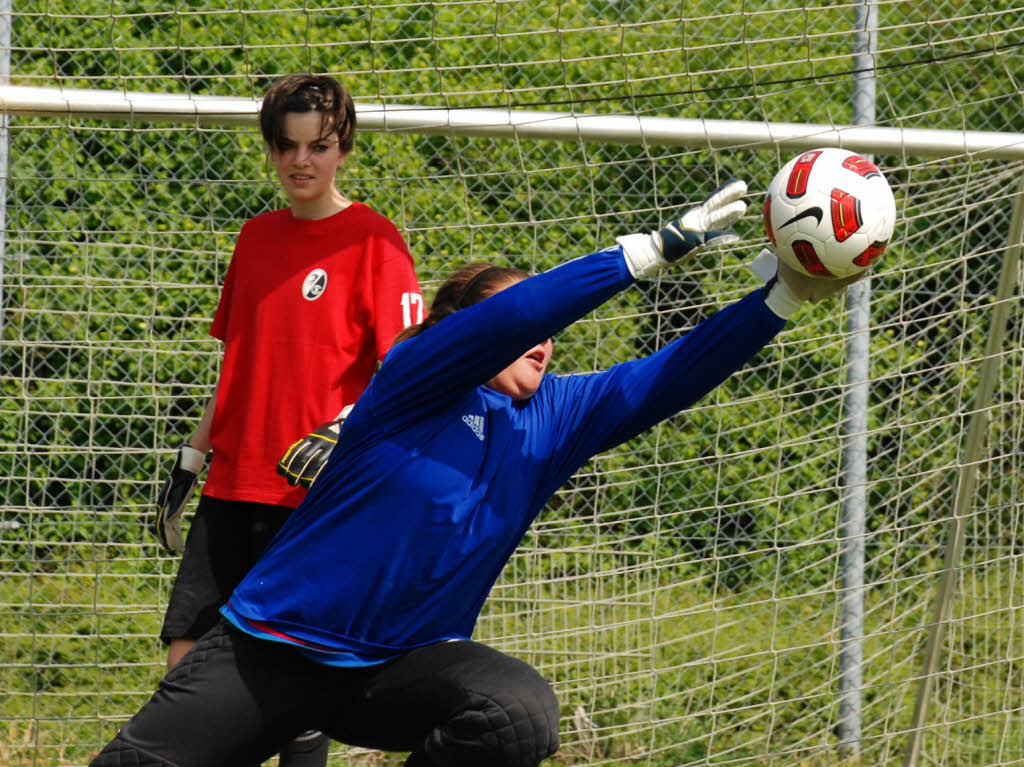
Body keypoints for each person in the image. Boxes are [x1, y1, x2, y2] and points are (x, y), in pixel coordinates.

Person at [99, 180, 860, 767]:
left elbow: (667, 376)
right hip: (273, 650)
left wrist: (782, 298)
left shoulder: (553, 416)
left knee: (517, 710)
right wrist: (645, 251)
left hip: (396, 667)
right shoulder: (415, 378)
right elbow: (506, 319)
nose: (543, 340)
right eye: (530, 325)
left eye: (549, 332)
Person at [152, 73, 423, 767]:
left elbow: (407, 374)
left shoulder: (376, 242)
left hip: (311, 496)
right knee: (187, 653)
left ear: (343, 148)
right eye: (287, 146)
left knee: (292, 677)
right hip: (231, 482)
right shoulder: (255, 239)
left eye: (320, 145)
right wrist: (192, 454)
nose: (302, 161)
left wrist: (343, 428)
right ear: (271, 150)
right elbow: (235, 366)